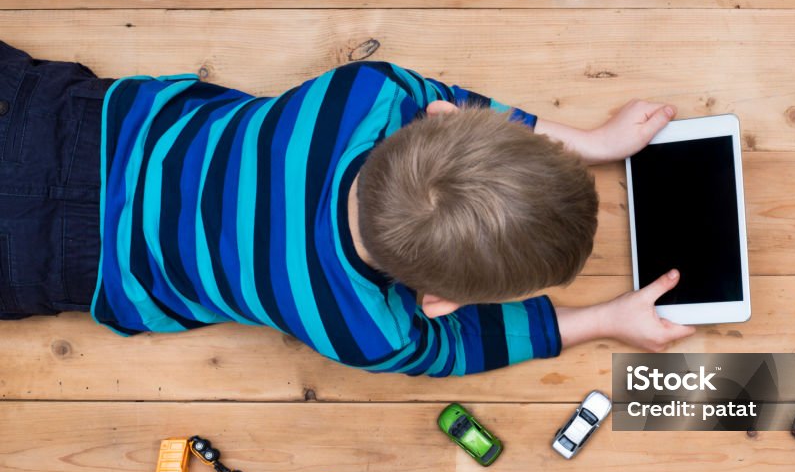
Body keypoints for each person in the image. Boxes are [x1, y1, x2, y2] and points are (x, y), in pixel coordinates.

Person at [0, 41, 695, 376]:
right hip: (63, 259)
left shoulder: (367, 92)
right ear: (440, 300)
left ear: (440, 115)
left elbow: (463, 111)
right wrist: (605, 319)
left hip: (69, 122)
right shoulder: (366, 328)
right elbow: (461, 349)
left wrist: (591, 142)